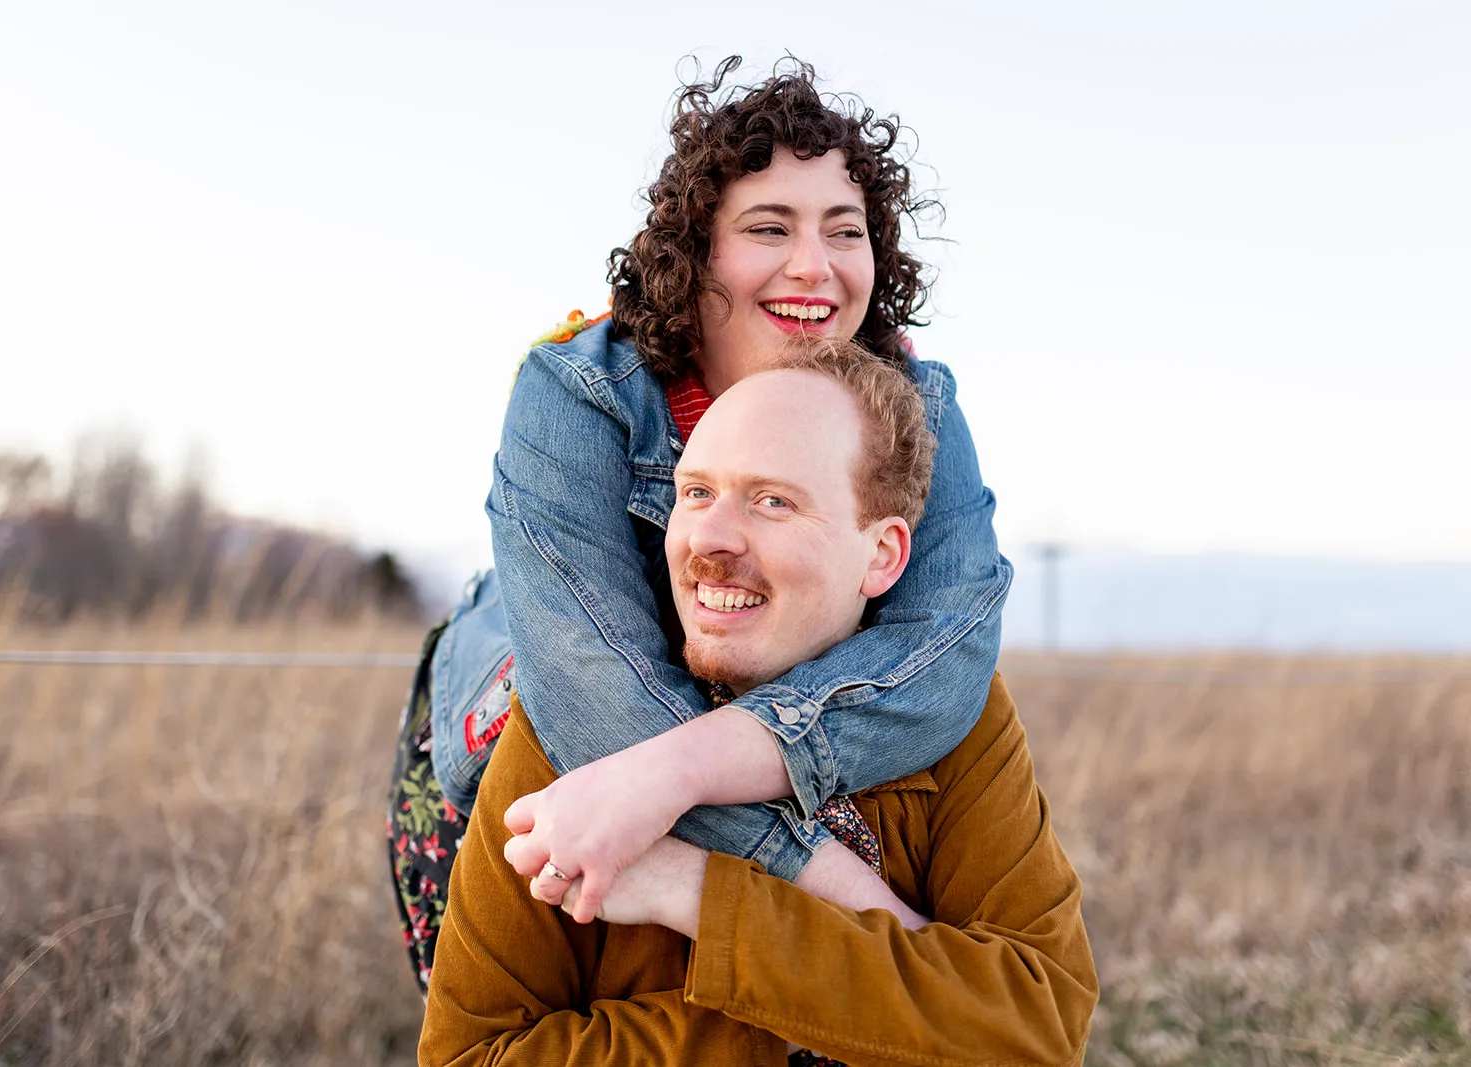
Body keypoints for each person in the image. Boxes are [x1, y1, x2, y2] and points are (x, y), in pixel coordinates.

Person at [388, 56, 1012, 987]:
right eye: (769, 228)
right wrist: (832, 881)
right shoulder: (581, 391)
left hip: (740, 729)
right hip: (533, 703)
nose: (816, 266)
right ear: (697, 253)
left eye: (847, 232)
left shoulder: (914, 402)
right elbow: (601, 695)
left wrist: (686, 773)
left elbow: (949, 646)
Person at [418, 340, 1097, 1066]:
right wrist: (873, 999)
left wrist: (696, 893)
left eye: (773, 501)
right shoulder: (574, 731)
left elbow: (1039, 1027)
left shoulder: (958, 721)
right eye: (695, 492)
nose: (707, 537)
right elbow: (468, 1054)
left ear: (883, 555)